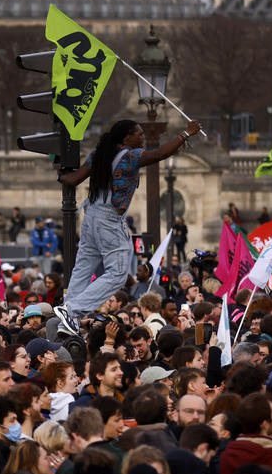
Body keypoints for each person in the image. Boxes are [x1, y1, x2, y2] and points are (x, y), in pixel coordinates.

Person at [54, 119, 200, 333]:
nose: (142, 138)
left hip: (91, 215)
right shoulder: (131, 156)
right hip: (109, 220)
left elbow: (74, 179)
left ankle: (67, 318)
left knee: (83, 267)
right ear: (126, 137)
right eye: (139, 134)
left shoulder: (99, 154)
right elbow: (158, 154)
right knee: (118, 273)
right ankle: (73, 310)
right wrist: (185, 134)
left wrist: (59, 173)